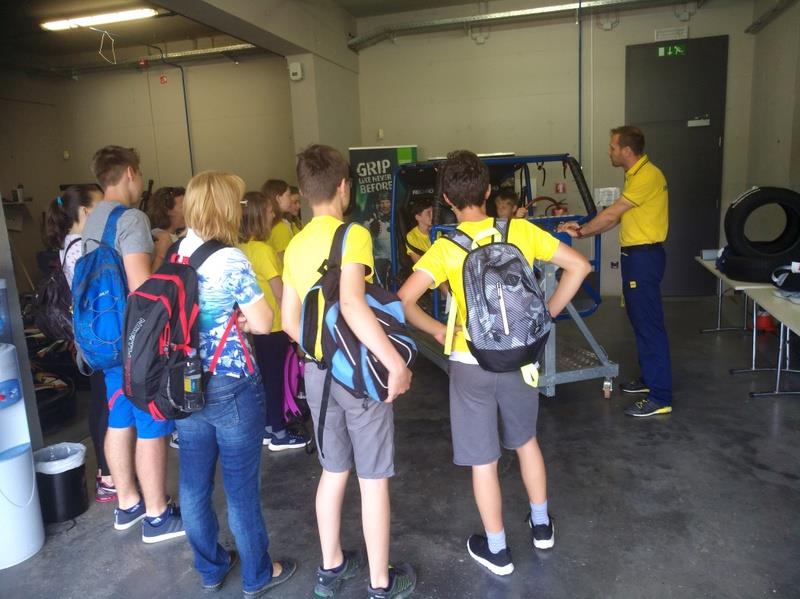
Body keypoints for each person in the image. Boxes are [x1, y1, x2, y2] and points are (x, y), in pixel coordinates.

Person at [397, 150, 590, 576]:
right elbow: (579, 266)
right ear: (487, 191)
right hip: (520, 357)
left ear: (448, 199)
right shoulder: (520, 231)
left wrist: (438, 331)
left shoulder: (445, 248)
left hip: (470, 362)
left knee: (483, 460)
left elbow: (404, 301)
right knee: (526, 442)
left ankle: (498, 550)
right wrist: (546, 315)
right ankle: (542, 527)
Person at [281, 144, 417, 599]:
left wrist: (321, 351)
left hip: (317, 374)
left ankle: (331, 567)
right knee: (373, 478)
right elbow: (355, 306)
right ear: (344, 186)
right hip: (357, 373)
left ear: (303, 192)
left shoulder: (295, 245)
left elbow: (289, 321)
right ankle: (380, 582)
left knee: (333, 471)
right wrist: (394, 363)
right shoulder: (352, 235)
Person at [176, 172, 296, 596]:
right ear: (228, 209)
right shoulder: (231, 259)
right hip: (231, 383)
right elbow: (263, 322)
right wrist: (242, 319)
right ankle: (258, 574)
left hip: (185, 382)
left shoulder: (176, 253)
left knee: (193, 484)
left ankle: (210, 568)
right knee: (241, 488)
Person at [84, 145, 184, 542]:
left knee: (119, 416)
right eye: (139, 173)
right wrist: (161, 250)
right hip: (137, 341)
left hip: (105, 337)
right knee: (151, 422)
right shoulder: (131, 218)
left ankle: (128, 503)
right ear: (129, 172)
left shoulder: (92, 220)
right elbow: (143, 288)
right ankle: (158, 515)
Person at [558, 126, 673, 417]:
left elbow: (611, 214)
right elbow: (615, 218)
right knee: (640, 321)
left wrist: (581, 231)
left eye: (612, 147)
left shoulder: (647, 176)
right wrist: (582, 229)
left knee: (649, 325)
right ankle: (649, 380)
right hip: (636, 257)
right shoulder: (635, 176)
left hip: (644, 258)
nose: (609, 152)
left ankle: (660, 396)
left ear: (626, 150)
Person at [44, 184, 115, 502]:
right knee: (104, 403)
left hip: (87, 336)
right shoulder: (81, 248)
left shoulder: (70, 245)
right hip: (95, 336)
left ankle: (107, 472)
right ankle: (107, 475)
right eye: (100, 206)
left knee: (101, 401)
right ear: (86, 211)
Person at [239, 190, 310, 451]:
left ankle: (269, 426)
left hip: (255, 326)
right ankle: (279, 433)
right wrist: (296, 325)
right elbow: (281, 294)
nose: (273, 216)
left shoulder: (240, 249)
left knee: (266, 378)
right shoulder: (264, 250)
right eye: (270, 212)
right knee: (277, 379)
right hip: (276, 325)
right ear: (260, 216)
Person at [147, 186, 186, 271]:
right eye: (183, 207)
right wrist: (160, 256)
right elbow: (153, 276)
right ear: (168, 211)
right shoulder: (160, 237)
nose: (188, 210)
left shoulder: (175, 235)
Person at [364, 192, 392, 287]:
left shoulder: (397, 217)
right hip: (380, 259)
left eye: (387, 202)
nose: (385, 206)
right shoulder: (371, 221)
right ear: (378, 205)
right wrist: (371, 230)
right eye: (382, 203)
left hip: (397, 259)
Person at [262, 179, 294, 261]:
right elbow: (286, 259)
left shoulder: (276, 224)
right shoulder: (280, 228)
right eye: (288, 195)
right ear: (278, 198)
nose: (291, 199)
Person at [404, 198, 433, 264]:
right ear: (418, 217)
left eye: (433, 212)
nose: (432, 215)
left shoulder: (437, 231)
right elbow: (419, 264)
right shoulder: (412, 236)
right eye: (428, 213)